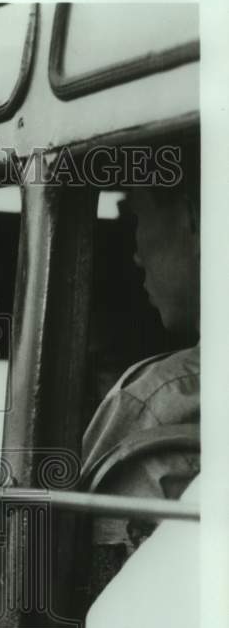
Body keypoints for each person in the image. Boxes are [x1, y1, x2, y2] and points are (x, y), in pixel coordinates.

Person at [81, 167, 200, 586]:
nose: (135, 254)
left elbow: (99, 601)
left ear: (193, 219)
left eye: (136, 219)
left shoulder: (155, 401)